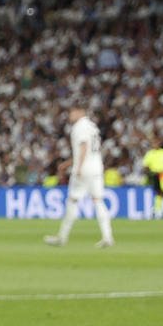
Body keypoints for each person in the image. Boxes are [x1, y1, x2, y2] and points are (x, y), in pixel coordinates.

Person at [48, 105, 114, 248]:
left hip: (84, 170)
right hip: (97, 168)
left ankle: (62, 237)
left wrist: (78, 167)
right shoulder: (92, 127)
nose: (70, 115)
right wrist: (67, 164)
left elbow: (83, 147)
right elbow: (89, 150)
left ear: (79, 112)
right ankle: (107, 237)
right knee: (98, 200)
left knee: (72, 200)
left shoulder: (80, 127)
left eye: (72, 112)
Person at [143, 144, 163, 217]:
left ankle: (158, 209)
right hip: (154, 174)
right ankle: (158, 209)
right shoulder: (150, 153)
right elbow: (145, 165)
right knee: (158, 192)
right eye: (154, 142)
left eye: (157, 142)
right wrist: (149, 173)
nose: (155, 144)